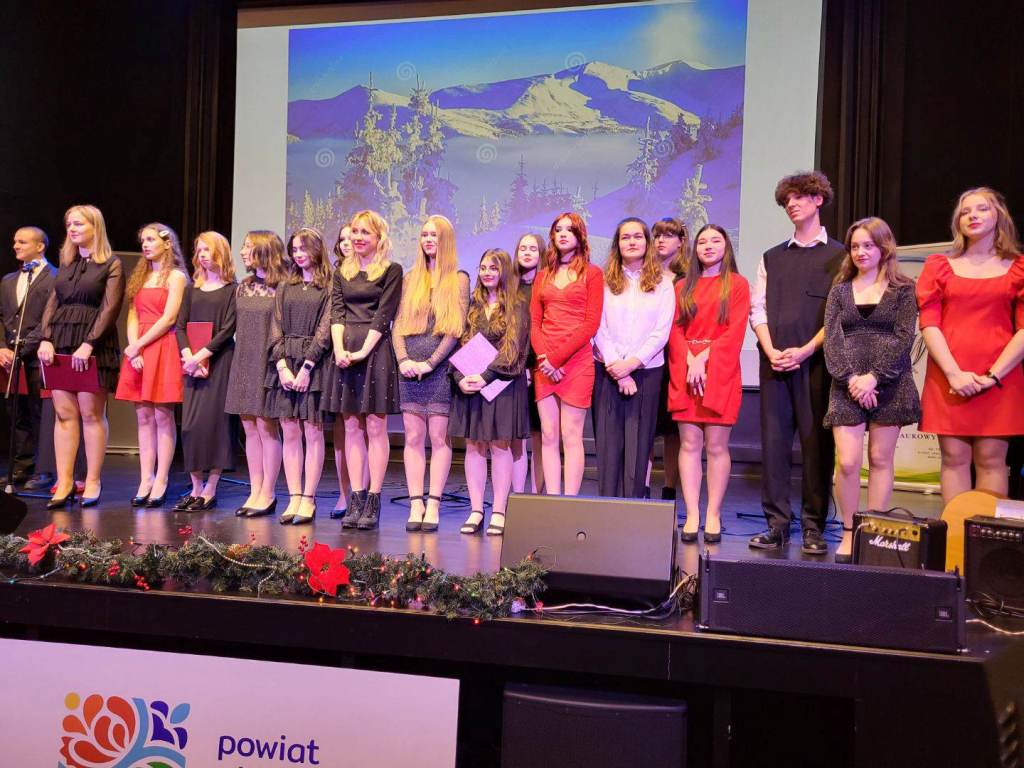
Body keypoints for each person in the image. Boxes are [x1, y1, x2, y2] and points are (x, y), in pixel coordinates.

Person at [748, 171, 845, 554]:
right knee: (773, 446)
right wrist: (771, 350)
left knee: (816, 445)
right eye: (786, 200)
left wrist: (805, 350)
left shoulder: (840, 256)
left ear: (818, 199)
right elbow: (758, 309)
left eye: (799, 197)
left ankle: (813, 526)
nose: (792, 204)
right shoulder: (772, 257)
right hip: (775, 363)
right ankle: (777, 524)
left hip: (816, 364)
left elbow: (838, 315)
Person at [917, 187, 1024, 503]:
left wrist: (993, 376)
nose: (972, 216)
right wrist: (954, 374)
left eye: (981, 209)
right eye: (965, 212)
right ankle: (955, 532)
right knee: (953, 458)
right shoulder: (938, 265)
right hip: (949, 375)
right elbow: (929, 323)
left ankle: (986, 535)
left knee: (991, 459)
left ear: (998, 216)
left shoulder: (1019, 267)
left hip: (1001, 377)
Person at [824, 218, 919, 562]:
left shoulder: (903, 290)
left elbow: (904, 337)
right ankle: (850, 532)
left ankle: (874, 532)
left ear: (884, 248)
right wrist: (852, 378)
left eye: (868, 245)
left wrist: (874, 378)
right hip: (846, 386)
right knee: (848, 462)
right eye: (855, 246)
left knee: (880, 459)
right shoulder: (839, 290)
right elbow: (832, 339)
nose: (861, 252)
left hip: (889, 384)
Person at [36, 205, 125, 509]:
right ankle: (64, 483)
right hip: (61, 340)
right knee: (64, 413)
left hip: (93, 344)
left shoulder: (111, 264)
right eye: (69, 224)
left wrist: (89, 344)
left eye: (78, 224)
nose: (72, 229)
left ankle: (93, 480)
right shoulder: (66, 263)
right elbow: (53, 303)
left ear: (94, 227)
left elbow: (110, 308)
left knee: (90, 413)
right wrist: (46, 337)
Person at [668, 225, 750, 542]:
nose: (708, 246)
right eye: (702, 241)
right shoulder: (681, 286)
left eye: (715, 240)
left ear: (726, 246)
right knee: (689, 445)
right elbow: (674, 330)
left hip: (720, 371)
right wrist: (690, 360)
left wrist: (704, 358)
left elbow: (735, 330)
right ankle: (692, 513)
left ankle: (713, 513)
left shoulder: (737, 284)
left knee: (716, 446)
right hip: (685, 370)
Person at [324, 210, 402, 530]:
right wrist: (340, 349)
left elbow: (383, 316)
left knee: (375, 427)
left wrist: (361, 353)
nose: (357, 237)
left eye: (365, 232)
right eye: (355, 231)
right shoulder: (342, 270)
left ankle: (373, 498)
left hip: (374, 350)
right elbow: (337, 313)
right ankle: (355, 497)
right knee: (351, 426)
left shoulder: (391, 270)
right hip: (345, 350)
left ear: (378, 237)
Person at [393, 215, 469, 532]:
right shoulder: (411, 278)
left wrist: (431, 363)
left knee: (439, 438)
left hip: (438, 371)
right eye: (424, 234)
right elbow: (398, 324)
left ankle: (434, 503)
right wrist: (403, 360)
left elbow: (455, 330)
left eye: (434, 235)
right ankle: (416, 503)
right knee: (412, 437)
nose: (428, 240)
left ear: (445, 240)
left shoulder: (459, 279)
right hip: (409, 369)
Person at [449, 248, 531, 535]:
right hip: (472, 385)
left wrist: (485, 377)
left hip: (501, 384)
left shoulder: (517, 305)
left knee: (499, 446)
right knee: (473, 446)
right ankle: (475, 510)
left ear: (504, 272)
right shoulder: (473, 305)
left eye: (493, 268)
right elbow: (461, 345)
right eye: (483, 267)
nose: (486, 273)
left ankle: (498, 510)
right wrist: (460, 377)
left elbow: (513, 349)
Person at [593, 218, 674, 497]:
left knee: (639, 447)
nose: (631, 242)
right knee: (608, 445)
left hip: (647, 372)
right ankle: (608, 506)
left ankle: (633, 508)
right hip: (608, 371)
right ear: (617, 243)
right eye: (625, 237)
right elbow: (598, 326)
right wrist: (617, 366)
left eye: (637, 236)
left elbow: (661, 332)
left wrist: (631, 364)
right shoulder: (604, 281)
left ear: (647, 242)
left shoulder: (663, 283)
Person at [115, 224, 188, 507]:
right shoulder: (141, 276)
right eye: (142, 240)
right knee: (143, 416)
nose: (145, 244)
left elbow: (169, 318)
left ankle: (162, 478)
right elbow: (132, 314)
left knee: (161, 415)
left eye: (150, 239)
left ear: (167, 243)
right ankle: (145, 478)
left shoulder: (176, 276)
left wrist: (139, 344)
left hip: (162, 345)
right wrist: (133, 347)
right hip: (139, 349)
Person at [530, 212, 603, 495]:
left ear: (579, 236)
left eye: (569, 230)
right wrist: (544, 359)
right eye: (558, 230)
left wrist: (557, 359)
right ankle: (552, 499)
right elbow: (535, 322)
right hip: (545, 364)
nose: (562, 234)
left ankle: (570, 501)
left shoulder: (592, 274)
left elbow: (591, 324)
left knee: (571, 435)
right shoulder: (542, 276)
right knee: (548, 435)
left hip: (576, 363)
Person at [264, 228, 333, 525]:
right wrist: (282, 366)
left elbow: (325, 331)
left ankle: (308, 498)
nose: (299, 254)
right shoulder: (285, 286)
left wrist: (306, 368)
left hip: (313, 365)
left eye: (304, 248)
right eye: (294, 249)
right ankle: (293, 496)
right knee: (289, 431)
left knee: (313, 433)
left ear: (317, 249)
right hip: (286, 362)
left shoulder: (329, 286)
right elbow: (275, 326)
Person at [224, 231, 288, 517]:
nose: (242, 252)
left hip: (268, 361)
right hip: (244, 361)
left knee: (266, 426)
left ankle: (268, 493)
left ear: (264, 251)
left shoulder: (282, 286)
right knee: (249, 426)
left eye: (248, 246)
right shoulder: (244, 286)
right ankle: (255, 489)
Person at [174, 231, 237, 512]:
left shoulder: (232, 290)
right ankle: (195, 487)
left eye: (207, 250)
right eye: (198, 250)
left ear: (220, 253)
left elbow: (228, 329)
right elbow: (180, 326)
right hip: (192, 363)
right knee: (191, 425)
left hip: (219, 361)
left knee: (216, 424)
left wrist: (201, 355)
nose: (202, 255)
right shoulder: (192, 289)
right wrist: (188, 356)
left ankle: (210, 489)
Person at [0, 226, 56, 488]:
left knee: (40, 413)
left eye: (22, 242)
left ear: (40, 246)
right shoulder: (8, 280)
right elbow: (2, 317)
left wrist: (23, 348)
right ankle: (22, 465)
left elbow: (49, 320)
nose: (15, 246)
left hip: (36, 357)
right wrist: (2, 347)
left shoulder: (54, 278)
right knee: (17, 412)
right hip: (10, 358)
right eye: (15, 241)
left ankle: (44, 470)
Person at [650, 217, 688, 501]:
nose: (661, 240)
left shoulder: (687, 277)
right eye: (657, 235)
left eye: (669, 235)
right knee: (647, 429)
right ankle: (641, 488)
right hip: (647, 359)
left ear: (681, 241)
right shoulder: (644, 275)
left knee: (674, 431)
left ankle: (669, 489)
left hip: (676, 359)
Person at [326, 223, 360, 519]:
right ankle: (343, 491)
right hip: (335, 351)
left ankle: (363, 491)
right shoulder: (334, 273)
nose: (347, 243)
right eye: (343, 239)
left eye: (353, 238)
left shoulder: (373, 271)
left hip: (362, 349)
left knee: (365, 425)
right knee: (342, 426)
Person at [511, 232, 545, 495]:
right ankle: (517, 495)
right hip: (514, 369)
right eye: (523, 248)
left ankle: (536, 495)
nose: (527, 252)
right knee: (516, 436)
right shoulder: (509, 287)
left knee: (540, 435)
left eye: (532, 248)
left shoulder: (545, 286)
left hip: (540, 368)